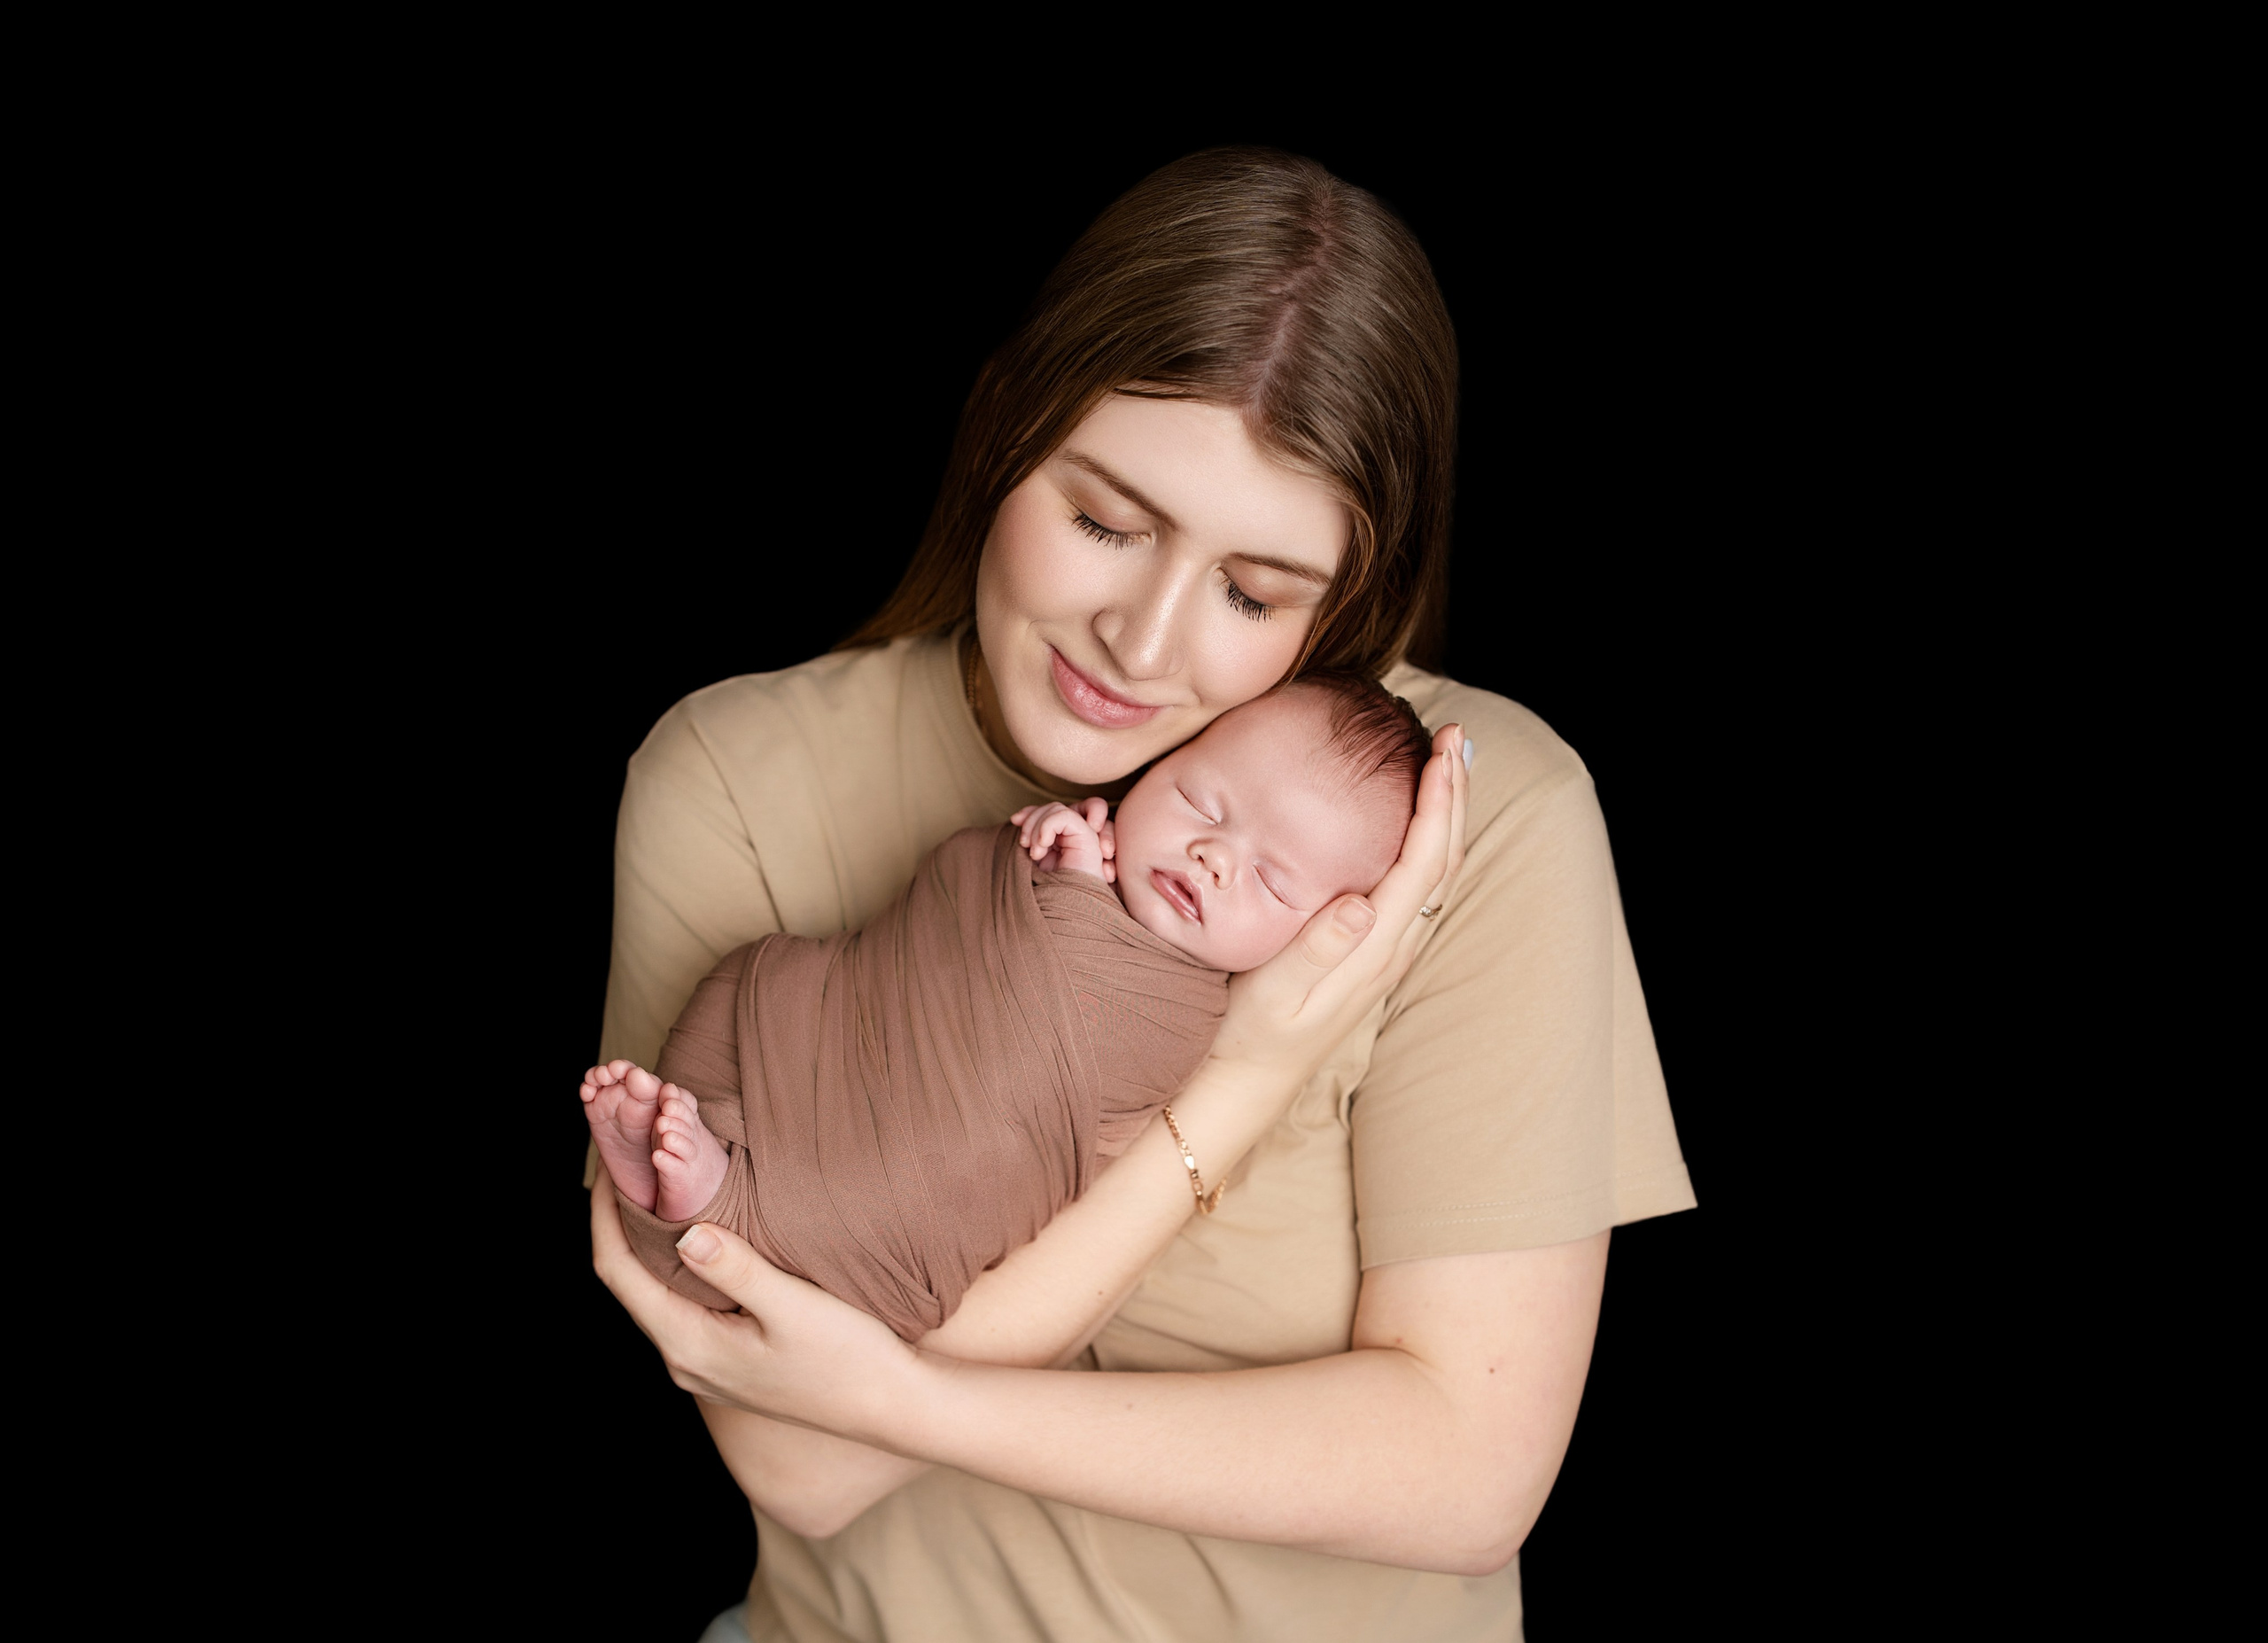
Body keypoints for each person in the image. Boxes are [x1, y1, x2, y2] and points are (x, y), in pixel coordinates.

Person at [588, 146, 1695, 1643]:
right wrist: (1244, 1085)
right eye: (1105, 519)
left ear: (1351, 600)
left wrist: (906, 1390)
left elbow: (1467, 1468)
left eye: (1254, 592)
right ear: (1005, 429)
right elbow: (798, 1453)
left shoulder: (1472, 822)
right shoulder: (732, 772)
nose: (1143, 638)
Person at [583, 675, 1434, 1342]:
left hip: (931, 1153)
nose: (1214, 856)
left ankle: (719, 1201)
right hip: (837, 1026)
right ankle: (705, 1177)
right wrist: (1052, 868)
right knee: (749, 984)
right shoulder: (1074, 854)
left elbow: (1051, 1079)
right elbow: (950, 926)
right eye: (1200, 803)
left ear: (1324, 932)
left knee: (923, 1171)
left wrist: (1073, 909)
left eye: (1273, 881)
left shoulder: (1185, 1019)